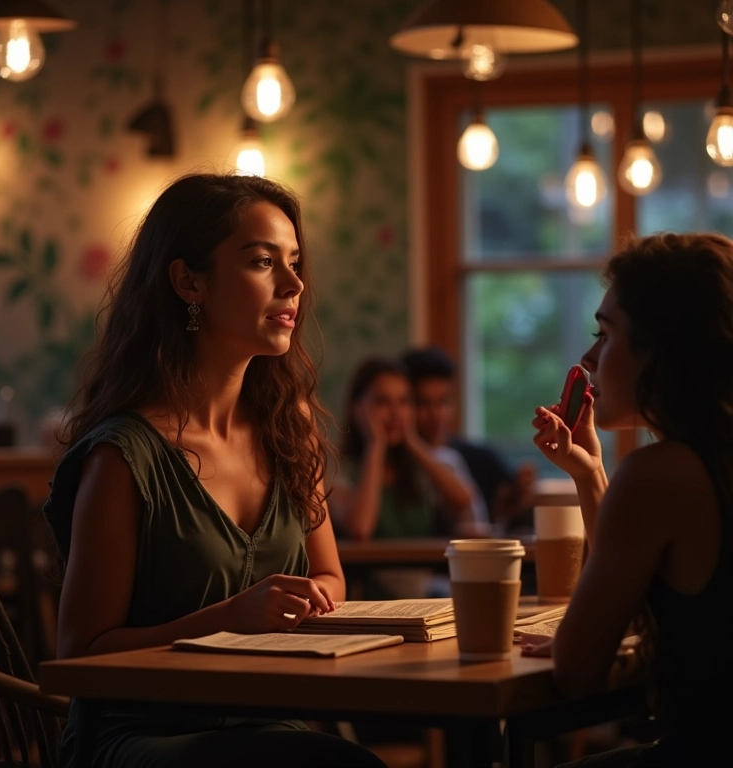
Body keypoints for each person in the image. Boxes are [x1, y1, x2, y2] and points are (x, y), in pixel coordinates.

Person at [42, 172, 388, 768]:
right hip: (142, 738)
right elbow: (81, 655)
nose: (295, 283)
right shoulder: (125, 455)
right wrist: (230, 619)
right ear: (189, 282)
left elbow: (331, 577)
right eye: (262, 262)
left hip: (267, 723)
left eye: (295, 262)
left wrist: (306, 600)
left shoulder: (289, 429)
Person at [520, 233, 733, 767]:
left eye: (605, 334)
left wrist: (575, 636)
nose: (590, 357)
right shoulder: (704, 463)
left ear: (662, 351)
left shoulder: (660, 474)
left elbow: (575, 671)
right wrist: (591, 474)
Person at [329, 356, 477, 598]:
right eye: (382, 402)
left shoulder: (421, 467)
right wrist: (375, 445)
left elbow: (462, 500)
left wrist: (413, 442)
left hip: (426, 589)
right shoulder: (341, 469)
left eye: (404, 402)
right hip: (369, 594)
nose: (395, 413)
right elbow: (359, 529)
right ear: (358, 407)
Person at [401, 345, 535, 533]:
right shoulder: (395, 464)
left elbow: (508, 514)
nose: (436, 414)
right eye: (424, 403)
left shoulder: (481, 459)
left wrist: (517, 497)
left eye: (444, 401)